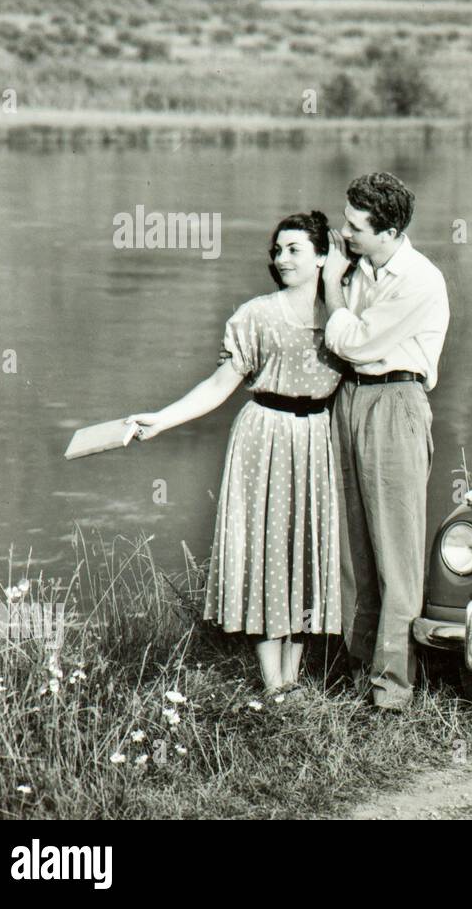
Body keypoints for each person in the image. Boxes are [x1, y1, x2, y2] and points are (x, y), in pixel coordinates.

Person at [126, 212, 345, 698]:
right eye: (277, 249)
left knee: (306, 549)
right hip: (264, 439)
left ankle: (293, 680)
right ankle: (274, 685)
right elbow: (220, 385)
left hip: (318, 442)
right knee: (268, 549)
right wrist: (161, 419)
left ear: (324, 256)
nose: (280, 258)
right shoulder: (257, 314)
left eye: (294, 249)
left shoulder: (344, 315)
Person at [322, 172, 449, 711]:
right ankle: (357, 671)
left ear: (390, 230)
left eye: (355, 226)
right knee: (354, 550)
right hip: (350, 400)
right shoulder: (360, 267)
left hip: (396, 402)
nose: (344, 233)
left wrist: (331, 289)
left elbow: (354, 342)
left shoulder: (419, 280)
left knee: (395, 553)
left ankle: (392, 690)